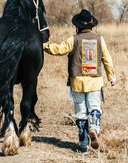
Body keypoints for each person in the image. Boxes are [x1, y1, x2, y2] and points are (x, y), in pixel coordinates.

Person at [43, 9, 115, 153]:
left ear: (78, 25)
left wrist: (43, 45)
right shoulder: (99, 39)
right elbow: (106, 58)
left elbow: (59, 49)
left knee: (80, 112)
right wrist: (111, 75)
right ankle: (94, 128)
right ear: (91, 25)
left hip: (77, 81)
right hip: (95, 81)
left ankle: (83, 144)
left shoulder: (73, 39)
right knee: (94, 107)